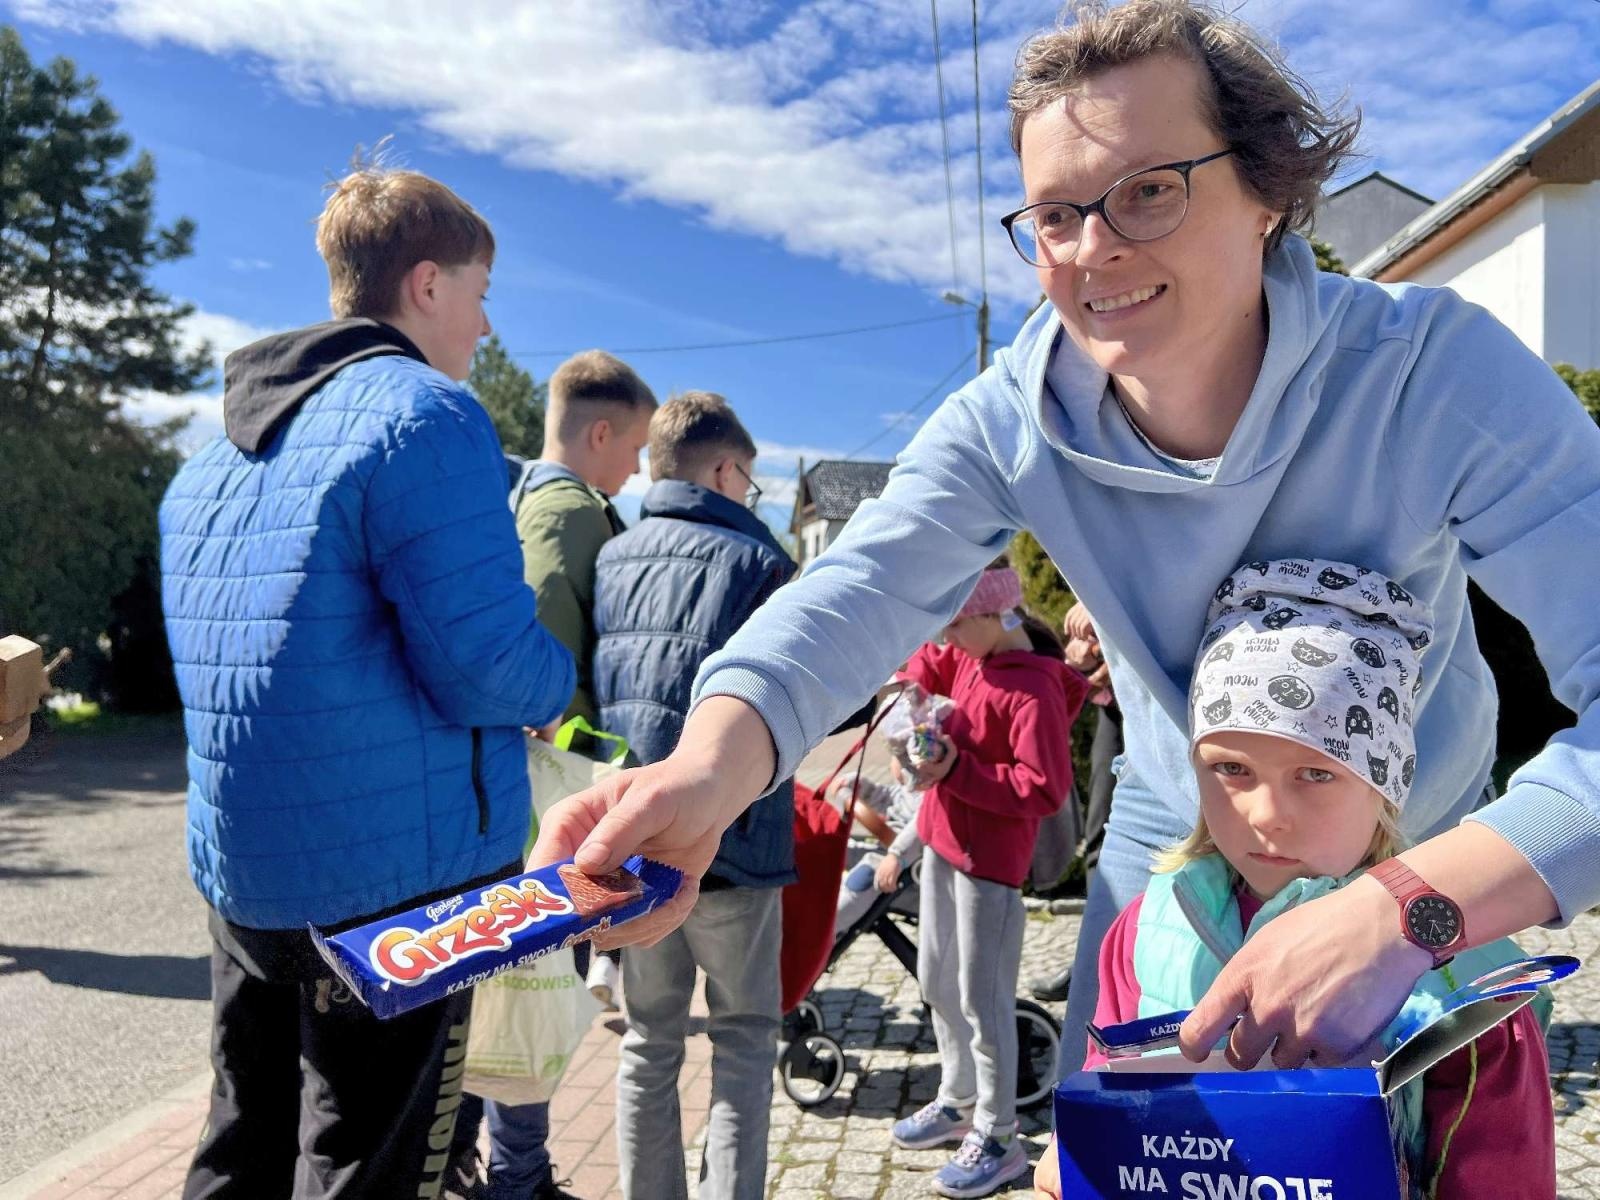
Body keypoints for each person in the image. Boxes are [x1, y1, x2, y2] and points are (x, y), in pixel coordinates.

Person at [531, 2, 1599, 1196]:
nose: (1092, 249)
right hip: (1170, 839)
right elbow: (860, 585)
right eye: (1053, 214)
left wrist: (1405, 908)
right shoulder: (1014, 415)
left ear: (1265, 193)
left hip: (1419, 851)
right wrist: (706, 770)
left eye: (1149, 190)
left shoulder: (1429, 372)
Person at [159, 159, 575, 1197]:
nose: (485, 326)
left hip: (244, 878)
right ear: (426, 284)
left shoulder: (211, 459)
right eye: (479, 294)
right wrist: (559, 683)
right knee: (370, 1167)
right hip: (398, 891)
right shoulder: (428, 416)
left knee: (243, 1141)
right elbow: (486, 662)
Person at [1083, 558, 1553, 1197]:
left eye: (1316, 773)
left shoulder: (1468, 986)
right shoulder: (1143, 927)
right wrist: (1079, 1153)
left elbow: (1502, 1176)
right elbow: (1106, 1090)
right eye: (1231, 769)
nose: (1266, 815)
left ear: (1383, 787)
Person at [590, 392, 796, 1200]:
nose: (751, 493)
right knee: (744, 1037)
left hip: (636, 834)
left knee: (648, 1039)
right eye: (749, 478)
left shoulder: (614, 555)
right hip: (733, 837)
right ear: (723, 470)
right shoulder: (759, 562)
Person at [883, 566, 1085, 1198]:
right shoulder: (976, 654)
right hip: (943, 844)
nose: (946, 638)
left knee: (983, 999)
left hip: (990, 867)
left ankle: (999, 1135)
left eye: (954, 625)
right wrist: (913, 699)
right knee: (937, 981)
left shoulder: (1033, 690)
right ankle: (957, 1097)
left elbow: (1043, 788)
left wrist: (957, 771)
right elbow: (929, 664)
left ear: (993, 617)